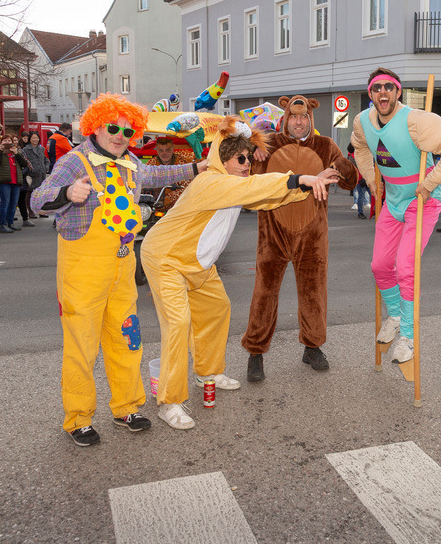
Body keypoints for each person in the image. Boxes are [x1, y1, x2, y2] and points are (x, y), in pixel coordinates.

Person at [141, 116, 336, 429]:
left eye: (248, 157)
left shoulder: (234, 187)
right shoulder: (211, 182)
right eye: (240, 158)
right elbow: (258, 187)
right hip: (166, 259)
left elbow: (265, 195)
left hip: (197, 263)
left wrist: (307, 185)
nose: (247, 163)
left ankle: (208, 372)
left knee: (218, 309)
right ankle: (169, 401)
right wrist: (296, 179)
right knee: (178, 324)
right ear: (222, 159)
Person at [31, 94, 203, 446]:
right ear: (95, 125)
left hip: (123, 267)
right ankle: (78, 418)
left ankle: (127, 408)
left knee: (127, 339)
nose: (120, 135)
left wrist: (197, 169)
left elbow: (156, 174)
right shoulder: (74, 161)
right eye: (113, 127)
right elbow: (38, 200)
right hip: (82, 271)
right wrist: (66, 193)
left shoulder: (130, 162)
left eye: (128, 130)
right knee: (81, 347)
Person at [350, 68, 441, 364]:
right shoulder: (362, 121)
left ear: (398, 92)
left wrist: (429, 184)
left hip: (421, 200)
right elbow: (360, 149)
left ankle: (408, 336)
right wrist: (369, 177)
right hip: (391, 201)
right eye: (377, 88)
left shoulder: (417, 120)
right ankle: (395, 317)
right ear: (371, 94)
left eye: (389, 87)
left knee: (405, 268)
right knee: (379, 266)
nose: (383, 92)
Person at [243, 96, 357, 381]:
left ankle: (313, 346)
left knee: (313, 292)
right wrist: (251, 149)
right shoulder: (268, 144)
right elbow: (246, 184)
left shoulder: (325, 145)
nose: (298, 122)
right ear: (285, 118)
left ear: (310, 119)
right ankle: (255, 352)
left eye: (303, 117)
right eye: (293, 117)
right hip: (273, 234)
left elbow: (350, 181)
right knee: (264, 293)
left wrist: (342, 165)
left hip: (312, 236)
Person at [0, 134, 29, 234]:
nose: (7, 143)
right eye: (5, 141)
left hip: (16, 181)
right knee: (5, 203)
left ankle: (10, 223)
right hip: (4, 181)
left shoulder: (17, 152)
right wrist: (0, 150)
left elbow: (24, 164)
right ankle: (3, 224)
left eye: (9, 141)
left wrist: (16, 153)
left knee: (13, 203)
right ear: (1, 142)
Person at [22, 131, 48, 219]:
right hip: (31, 175)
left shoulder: (42, 149)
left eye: (37, 138)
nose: (35, 139)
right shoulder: (26, 149)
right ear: (30, 139)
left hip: (41, 174)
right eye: (33, 138)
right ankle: (31, 211)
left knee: (41, 194)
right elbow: (24, 161)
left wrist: (45, 168)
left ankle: (41, 211)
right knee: (30, 193)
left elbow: (46, 160)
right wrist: (29, 169)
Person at [14, 132, 36, 227]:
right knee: (10, 201)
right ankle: (8, 220)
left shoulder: (20, 152)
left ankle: (25, 218)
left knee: (22, 199)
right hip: (11, 179)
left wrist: (22, 173)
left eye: (15, 140)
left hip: (21, 179)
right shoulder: (2, 152)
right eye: (12, 140)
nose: (14, 142)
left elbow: (26, 164)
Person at [348, 143, 369, 219]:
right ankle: (361, 211)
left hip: (361, 178)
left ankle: (360, 211)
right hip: (362, 178)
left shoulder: (352, 157)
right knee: (362, 195)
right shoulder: (355, 157)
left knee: (360, 194)